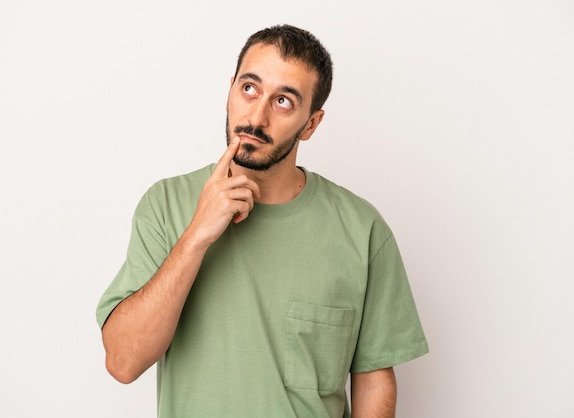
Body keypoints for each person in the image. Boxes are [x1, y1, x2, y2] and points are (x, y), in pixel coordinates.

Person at [96, 24, 428, 418]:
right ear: (229, 90)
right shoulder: (165, 205)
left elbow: (373, 379)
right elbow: (123, 361)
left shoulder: (362, 229)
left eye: (284, 101)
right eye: (249, 89)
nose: (256, 116)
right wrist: (197, 235)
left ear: (311, 124)